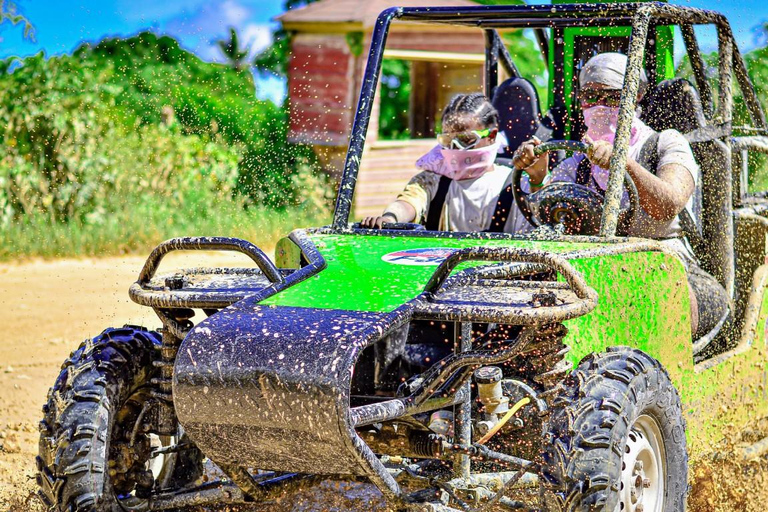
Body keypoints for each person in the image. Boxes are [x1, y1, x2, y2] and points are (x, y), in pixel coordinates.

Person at [513, 52, 728, 339]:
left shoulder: (664, 143)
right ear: (580, 101)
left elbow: (670, 204)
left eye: (612, 97)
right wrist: (538, 178)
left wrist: (624, 164)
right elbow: (543, 229)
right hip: (591, 270)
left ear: (636, 96)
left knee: (656, 295)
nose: (599, 106)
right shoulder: (575, 164)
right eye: (590, 96)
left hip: (666, 266)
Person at [361, 93, 534, 234]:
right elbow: (409, 201)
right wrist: (390, 218)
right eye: (447, 140)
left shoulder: (516, 185)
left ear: (491, 136)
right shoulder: (432, 180)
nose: (454, 149)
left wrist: (538, 179)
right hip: (441, 274)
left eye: (465, 139)